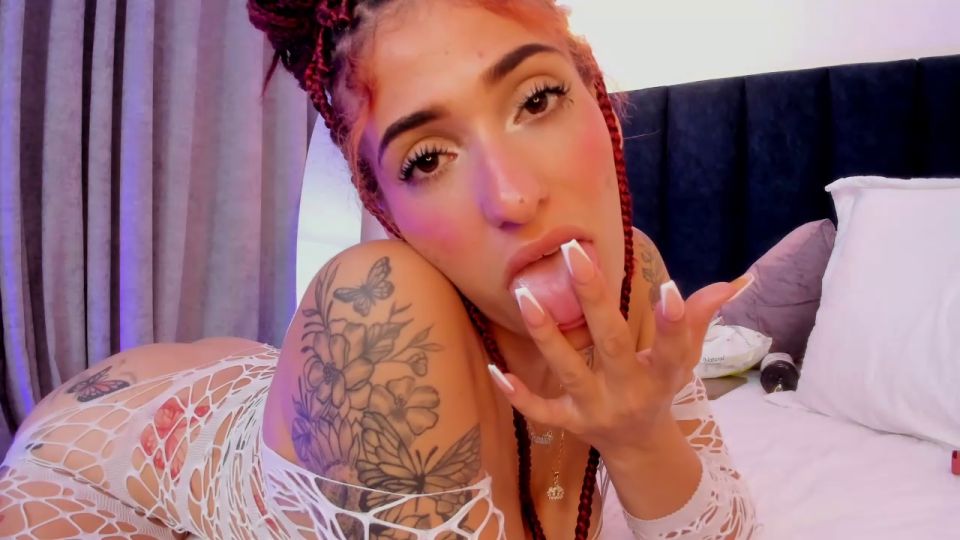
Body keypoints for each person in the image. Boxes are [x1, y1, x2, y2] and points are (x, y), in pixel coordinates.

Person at [0, 1, 759, 538]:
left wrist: (640, 438)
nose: (513, 195)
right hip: (85, 473)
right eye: (427, 158)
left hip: (239, 394)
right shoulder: (379, 310)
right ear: (382, 199)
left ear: (596, 92)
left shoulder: (636, 273)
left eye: (536, 99)